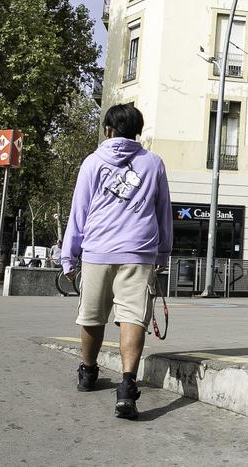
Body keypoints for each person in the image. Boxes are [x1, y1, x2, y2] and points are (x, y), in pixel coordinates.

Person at [62, 103, 173, 420]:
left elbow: (78, 213)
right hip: (139, 252)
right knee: (133, 319)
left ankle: (88, 372)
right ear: (137, 133)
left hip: (97, 251)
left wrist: (69, 257)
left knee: (92, 316)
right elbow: (163, 211)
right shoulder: (153, 164)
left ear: (108, 131)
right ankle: (126, 388)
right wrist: (163, 253)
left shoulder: (93, 162)